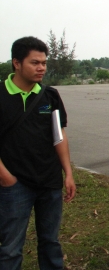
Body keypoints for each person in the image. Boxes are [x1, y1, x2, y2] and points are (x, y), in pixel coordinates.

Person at [0, 36, 76, 270]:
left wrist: (68, 172)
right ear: (16, 63)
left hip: (49, 181)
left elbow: (58, 136)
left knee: (50, 242)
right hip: (15, 184)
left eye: (44, 62)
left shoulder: (49, 95)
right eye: (35, 62)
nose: (41, 68)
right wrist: (5, 177)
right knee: (11, 247)